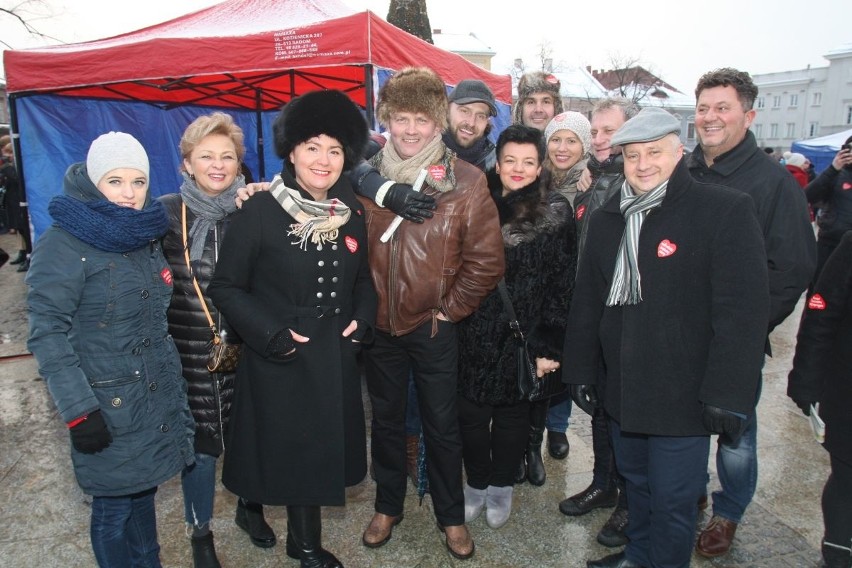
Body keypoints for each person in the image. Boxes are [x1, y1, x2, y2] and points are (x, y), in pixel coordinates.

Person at [565, 107, 770, 568]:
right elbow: (588, 302)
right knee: (636, 484)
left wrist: (728, 393)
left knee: (675, 501)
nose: (643, 164)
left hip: (685, 396)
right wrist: (580, 368)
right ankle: (638, 556)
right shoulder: (609, 219)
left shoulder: (723, 210)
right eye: (633, 155)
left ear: (679, 152)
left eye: (654, 152)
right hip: (624, 389)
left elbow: (742, 313)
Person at [207, 90, 376, 568]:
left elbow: (364, 280)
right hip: (280, 355)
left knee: (316, 453)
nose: (324, 160)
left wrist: (364, 320)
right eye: (312, 146)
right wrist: (270, 333)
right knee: (288, 454)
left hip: (334, 356)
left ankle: (295, 538)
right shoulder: (260, 210)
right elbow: (227, 287)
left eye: (335, 149)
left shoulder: (353, 211)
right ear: (292, 151)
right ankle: (302, 546)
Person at [26, 132, 195, 567]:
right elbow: (47, 332)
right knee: (113, 508)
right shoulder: (64, 243)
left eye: (138, 182)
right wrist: (80, 410)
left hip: (149, 397)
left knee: (143, 496)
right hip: (104, 402)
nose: (129, 194)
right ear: (93, 182)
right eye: (115, 181)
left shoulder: (141, 232)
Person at [358, 67, 504, 561]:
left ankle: (451, 516)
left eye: (422, 118)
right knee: (386, 421)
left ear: (438, 121)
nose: (412, 129)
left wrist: (450, 310)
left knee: (442, 427)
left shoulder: (464, 180)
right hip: (379, 327)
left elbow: (486, 260)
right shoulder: (364, 176)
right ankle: (387, 506)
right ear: (387, 119)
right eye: (402, 118)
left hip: (434, 326)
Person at [688, 67, 816, 559]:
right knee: (686, 420)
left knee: (736, 433)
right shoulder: (685, 169)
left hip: (735, 339)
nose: (710, 117)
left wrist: (746, 324)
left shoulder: (773, 184)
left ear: (749, 114)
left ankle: (729, 512)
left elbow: (793, 266)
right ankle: (692, 488)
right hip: (682, 332)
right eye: (703, 108)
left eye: (723, 108)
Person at [159, 112, 274, 567]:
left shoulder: (255, 208)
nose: (218, 164)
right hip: (189, 352)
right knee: (202, 447)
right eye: (206, 155)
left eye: (227, 156)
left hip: (248, 348)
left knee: (252, 435)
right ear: (187, 163)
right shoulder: (164, 213)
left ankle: (250, 508)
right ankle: (200, 531)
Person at [457, 124, 575, 529]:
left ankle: (502, 487)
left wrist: (550, 345)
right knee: (471, 416)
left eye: (528, 162)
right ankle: (475, 484)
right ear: (498, 161)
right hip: (471, 330)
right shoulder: (475, 198)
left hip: (520, 335)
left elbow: (563, 280)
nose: (518, 169)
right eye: (510, 160)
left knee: (511, 419)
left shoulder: (554, 211)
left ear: (540, 165)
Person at [560, 97, 641, 549]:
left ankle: (629, 499)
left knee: (627, 411)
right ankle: (603, 483)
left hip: (626, 316)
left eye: (610, 130)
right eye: (597, 131)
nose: (600, 138)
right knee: (600, 408)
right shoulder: (597, 180)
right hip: (592, 310)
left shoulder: (636, 181)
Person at [788, 230, 852, 568]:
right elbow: (820, 315)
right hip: (848, 396)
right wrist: (805, 382)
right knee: (847, 480)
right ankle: (837, 553)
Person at [804, 139, 852, 286]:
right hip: (830, 244)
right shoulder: (835, 174)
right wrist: (833, 168)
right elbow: (807, 196)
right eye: (848, 148)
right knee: (820, 290)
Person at [443, 79, 498, 172]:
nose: (471, 123)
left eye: (480, 116)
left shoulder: (496, 165)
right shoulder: (422, 151)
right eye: (464, 111)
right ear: (447, 110)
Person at [1, 140, 33, 272]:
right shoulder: (11, 165)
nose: (7, 155)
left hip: (20, 200)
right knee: (19, 228)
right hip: (12, 200)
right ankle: (23, 252)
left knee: (23, 227)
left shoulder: (17, 165)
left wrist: (6, 169)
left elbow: (16, 179)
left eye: (9, 152)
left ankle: (27, 254)